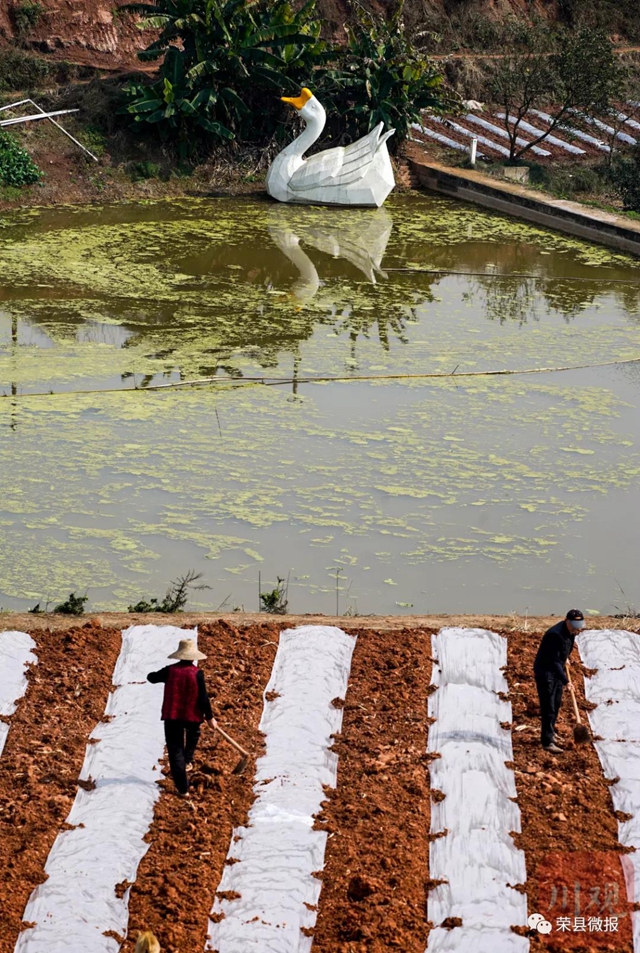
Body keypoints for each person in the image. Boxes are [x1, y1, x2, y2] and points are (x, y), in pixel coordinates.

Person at [147, 638, 217, 796]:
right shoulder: (197, 674)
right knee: (193, 735)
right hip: (192, 716)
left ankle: (183, 789)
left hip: (172, 716)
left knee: (175, 750)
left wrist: (153, 674)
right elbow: (204, 698)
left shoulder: (170, 671)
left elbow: (152, 678)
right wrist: (210, 717)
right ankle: (188, 760)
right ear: (193, 657)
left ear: (179, 655)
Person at [533, 608, 586, 753]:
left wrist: (566, 657)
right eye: (575, 627)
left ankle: (551, 733)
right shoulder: (554, 635)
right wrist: (566, 681)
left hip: (556, 669)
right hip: (546, 672)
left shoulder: (571, 632)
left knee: (556, 704)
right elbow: (554, 661)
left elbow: (563, 651)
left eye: (579, 627)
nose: (577, 630)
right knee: (548, 707)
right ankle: (547, 741)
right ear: (566, 621)